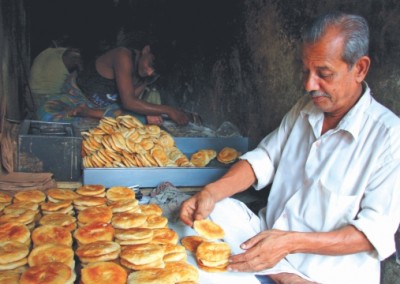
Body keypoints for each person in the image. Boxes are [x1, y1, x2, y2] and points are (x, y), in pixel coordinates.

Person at [180, 11, 400, 284]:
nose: (309, 85)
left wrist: (289, 243)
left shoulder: (389, 137)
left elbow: (373, 232)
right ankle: (278, 271)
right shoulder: (305, 109)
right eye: (305, 71)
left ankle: (287, 274)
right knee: (215, 210)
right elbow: (264, 158)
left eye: (324, 74)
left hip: (323, 271)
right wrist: (211, 193)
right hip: (269, 238)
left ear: (360, 68)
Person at [38, 43, 190, 126]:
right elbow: (129, 102)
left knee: (133, 122)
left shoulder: (148, 76)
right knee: (45, 115)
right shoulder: (122, 55)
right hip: (76, 98)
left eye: (155, 71)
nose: (150, 72)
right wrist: (168, 110)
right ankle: (86, 114)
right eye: (150, 64)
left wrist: (146, 112)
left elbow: (124, 106)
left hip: (102, 111)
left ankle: (89, 114)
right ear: (146, 50)